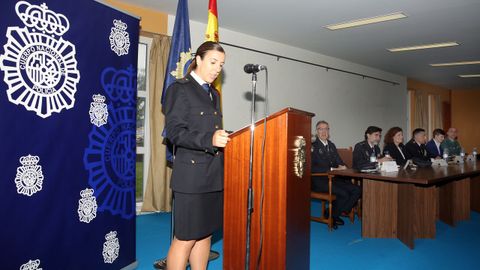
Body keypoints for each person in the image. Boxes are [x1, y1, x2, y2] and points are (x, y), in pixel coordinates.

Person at [164, 41, 229, 270]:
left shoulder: (214, 94)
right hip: (191, 177)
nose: (216, 69)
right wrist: (208, 140)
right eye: (213, 62)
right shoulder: (179, 88)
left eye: (221, 65)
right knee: (185, 237)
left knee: (204, 234)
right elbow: (174, 132)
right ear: (198, 60)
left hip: (213, 175)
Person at [311, 120, 361, 228]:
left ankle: (332, 213)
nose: (324, 131)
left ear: (329, 131)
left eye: (326, 129)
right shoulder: (313, 147)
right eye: (321, 129)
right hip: (320, 180)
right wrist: (331, 169)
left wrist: (344, 167)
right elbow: (311, 168)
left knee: (357, 190)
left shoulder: (331, 145)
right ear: (317, 131)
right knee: (344, 194)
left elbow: (339, 162)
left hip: (333, 179)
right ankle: (334, 214)